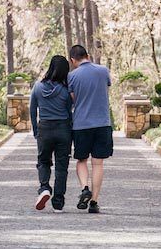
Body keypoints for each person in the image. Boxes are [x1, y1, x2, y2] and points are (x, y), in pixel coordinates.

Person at [67, 44, 112, 214]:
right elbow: (104, 90)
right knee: (98, 163)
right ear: (88, 55)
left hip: (81, 125)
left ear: (73, 60)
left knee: (81, 160)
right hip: (102, 124)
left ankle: (85, 187)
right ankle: (94, 202)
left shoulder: (71, 76)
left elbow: (73, 99)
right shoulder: (103, 71)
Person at [30, 55, 73, 212]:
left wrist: (36, 130)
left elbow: (32, 110)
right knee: (62, 167)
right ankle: (58, 203)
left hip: (45, 128)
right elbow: (69, 112)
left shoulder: (37, 87)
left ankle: (44, 188)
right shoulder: (66, 90)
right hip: (63, 129)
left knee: (43, 161)